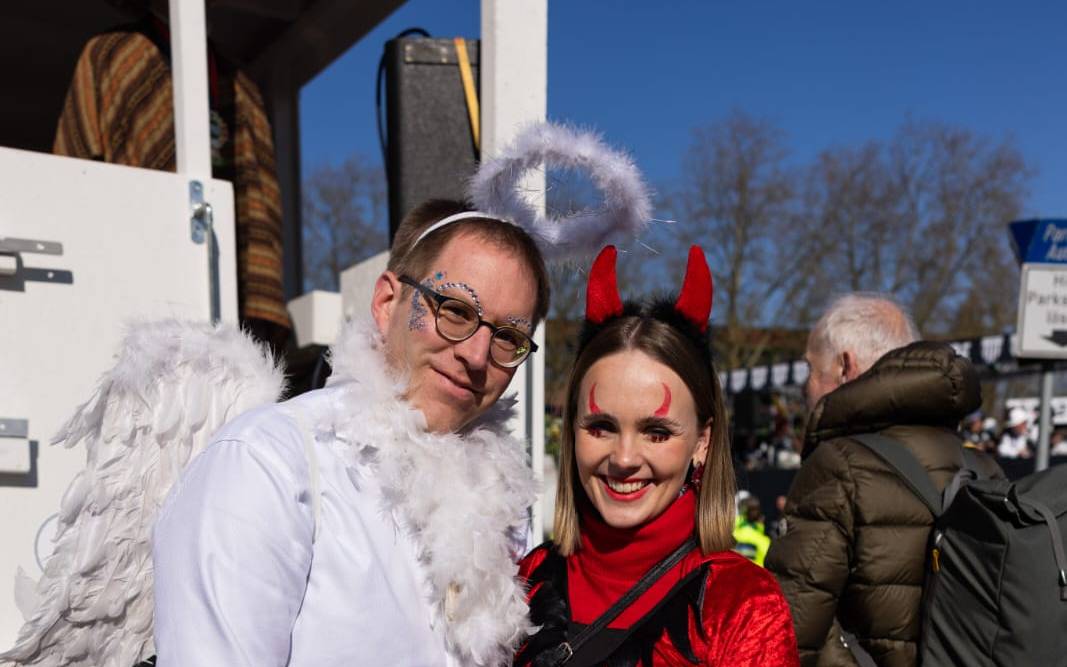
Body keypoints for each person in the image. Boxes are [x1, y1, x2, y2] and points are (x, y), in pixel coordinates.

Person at [151, 199, 550, 665]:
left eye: (508, 337)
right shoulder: (269, 464)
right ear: (386, 302)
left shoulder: (502, 507)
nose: (477, 355)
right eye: (456, 311)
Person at [515, 246, 798, 667]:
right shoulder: (527, 580)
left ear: (702, 442)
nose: (625, 457)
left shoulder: (742, 606)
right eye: (601, 426)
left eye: (657, 432)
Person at [765, 293, 1002, 666]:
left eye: (811, 369)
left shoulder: (840, 466)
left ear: (845, 366)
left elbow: (787, 631)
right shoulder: (983, 468)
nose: (806, 387)